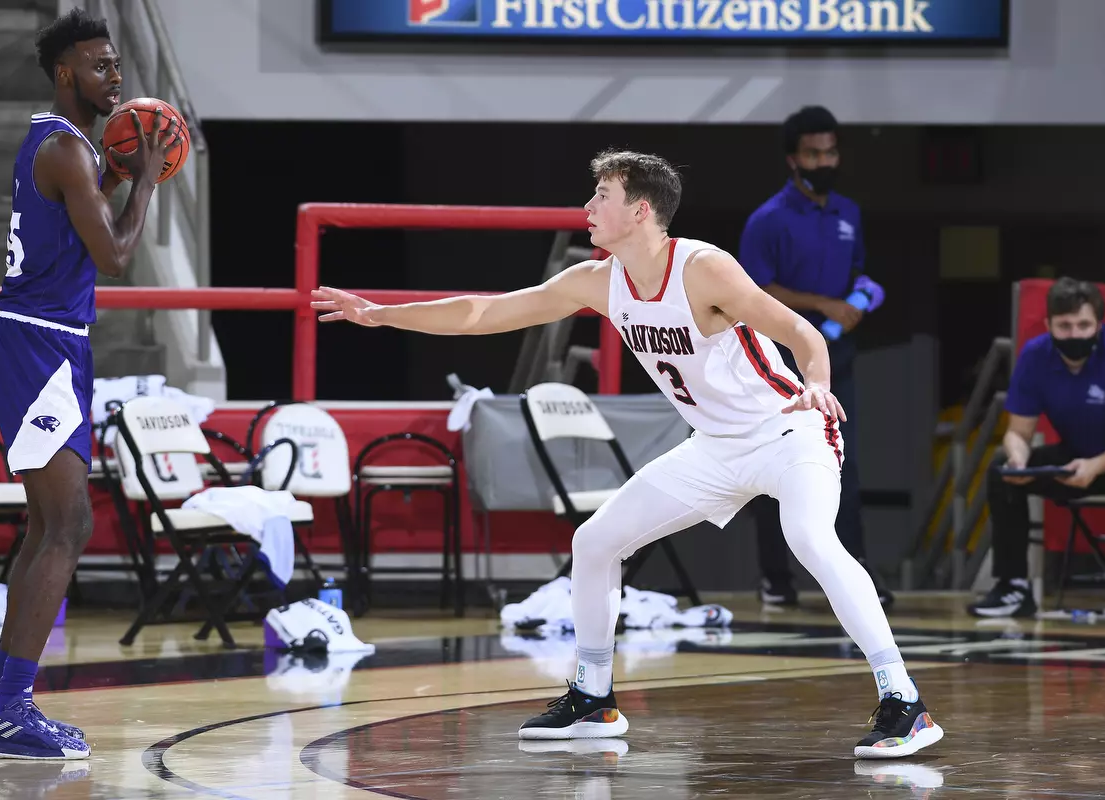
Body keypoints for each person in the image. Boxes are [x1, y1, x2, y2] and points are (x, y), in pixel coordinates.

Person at [312, 149, 944, 758]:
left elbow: (802, 332)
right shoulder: (596, 280)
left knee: (808, 537)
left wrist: (819, 385)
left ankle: (904, 702)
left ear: (641, 210)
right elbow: (485, 313)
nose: (587, 206)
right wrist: (383, 315)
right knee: (594, 541)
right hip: (715, 448)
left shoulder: (704, 268)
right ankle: (593, 698)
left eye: (602, 195)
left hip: (788, 429)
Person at [0, 8, 178, 760]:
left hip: (48, 344)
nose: (113, 77)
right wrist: (144, 183)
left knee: (48, 528)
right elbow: (117, 255)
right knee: (69, 528)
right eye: (98, 66)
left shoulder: (67, 146)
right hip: (40, 346)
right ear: (65, 74)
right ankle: (9, 708)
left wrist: (119, 173)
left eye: (116, 65)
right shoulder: (64, 149)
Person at [738, 105, 892, 608]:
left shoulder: (849, 213)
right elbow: (754, 290)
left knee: (842, 460)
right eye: (813, 153)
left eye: (830, 151)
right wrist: (825, 305)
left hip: (836, 355)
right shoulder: (768, 219)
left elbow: (862, 276)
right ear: (793, 158)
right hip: (778, 358)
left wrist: (857, 301)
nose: (824, 160)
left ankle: (853, 577)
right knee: (775, 459)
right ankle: (774, 577)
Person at [968, 278, 1105, 618]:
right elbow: (1018, 431)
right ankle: (1013, 587)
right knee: (1001, 469)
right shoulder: (1034, 356)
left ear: (1098, 326)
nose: (1075, 334)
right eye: (1065, 326)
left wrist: (1095, 466)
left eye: (1083, 325)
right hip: (1074, 455)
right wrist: (1019, 458)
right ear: (1049, 325)